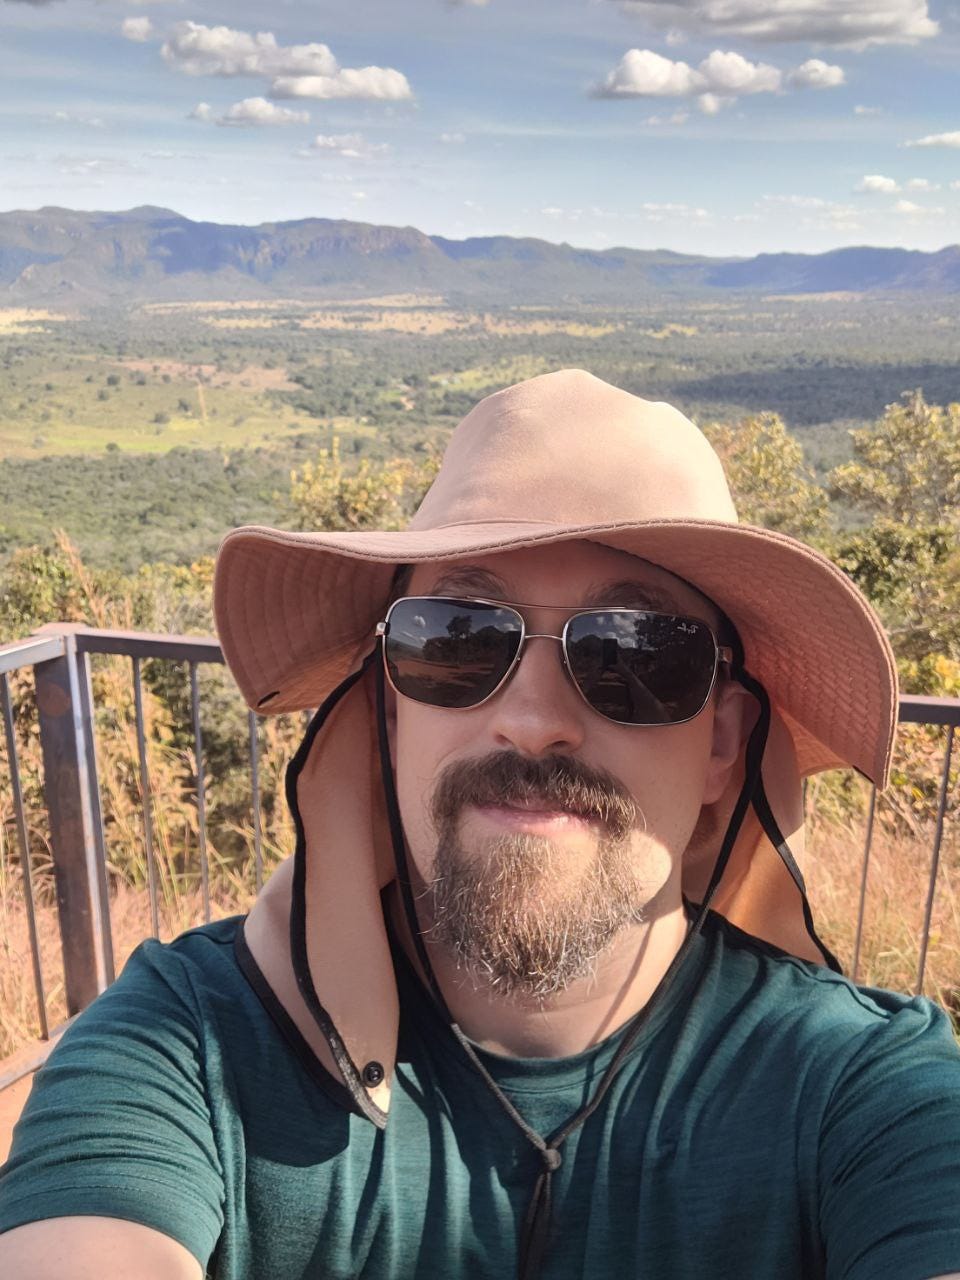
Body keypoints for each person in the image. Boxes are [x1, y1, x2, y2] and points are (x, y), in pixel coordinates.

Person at [1, 369, 959, 1280]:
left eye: (632, 655)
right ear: (386, 709)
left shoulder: (865, 1089)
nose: (532, 720)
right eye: (458, 639)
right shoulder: (190, 1044)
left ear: (722, 742)